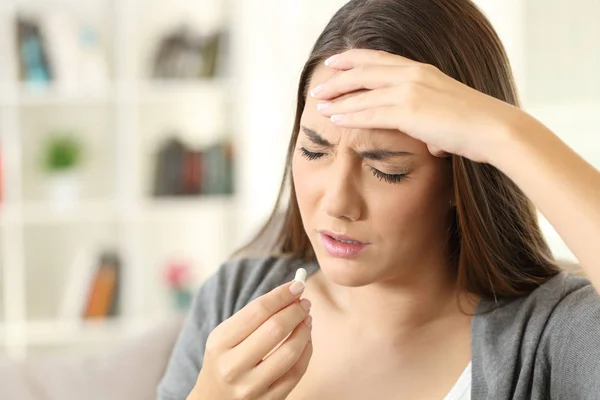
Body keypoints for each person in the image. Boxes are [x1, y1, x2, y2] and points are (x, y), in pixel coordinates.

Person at [157, 0, 600, 399]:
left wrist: (504, 132)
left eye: (385, 169)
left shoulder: (549, 334)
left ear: (459, 177)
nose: (336, 203)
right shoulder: (235, 297)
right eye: (314, 150)